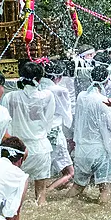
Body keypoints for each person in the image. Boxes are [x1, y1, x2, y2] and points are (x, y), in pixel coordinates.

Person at [69, 65, 111, 204]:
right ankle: (103, 217)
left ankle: (57, 204)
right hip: (99, 151)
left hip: (82, 151)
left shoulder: (81, 96)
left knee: (77, 187)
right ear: (106, 81)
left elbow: (93, 104)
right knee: (105, 190)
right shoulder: (102, 101)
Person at [2, 61, 57, 205]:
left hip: (18, 149)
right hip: (40, 148)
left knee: (13, 195)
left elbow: (4, 123)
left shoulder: (11, 97)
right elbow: (48, 122)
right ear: (39, 79)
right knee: (41, 196)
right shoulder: (47, 96)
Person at [44, 60, 76, 194]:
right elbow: (67, 111)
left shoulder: (39, 88)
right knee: (70, 172)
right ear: (58, 77)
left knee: (44, 169)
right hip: (56, 132)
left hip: (42, 132)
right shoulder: (60, 90)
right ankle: (45, 192)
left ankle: (43, 189)